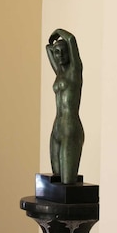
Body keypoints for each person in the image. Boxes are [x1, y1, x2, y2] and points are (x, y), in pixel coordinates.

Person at [47, 28, 84, 185]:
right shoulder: (59, 73)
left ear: (69, 53)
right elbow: (48, 49)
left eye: (63, 52)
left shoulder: (74, 72)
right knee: (56, 181)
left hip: (71, 129)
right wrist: (52, 44)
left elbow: (71, 40)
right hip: (57, 129)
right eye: (57, 53)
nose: (59, 55)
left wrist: (57, 32)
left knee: (68, 183)